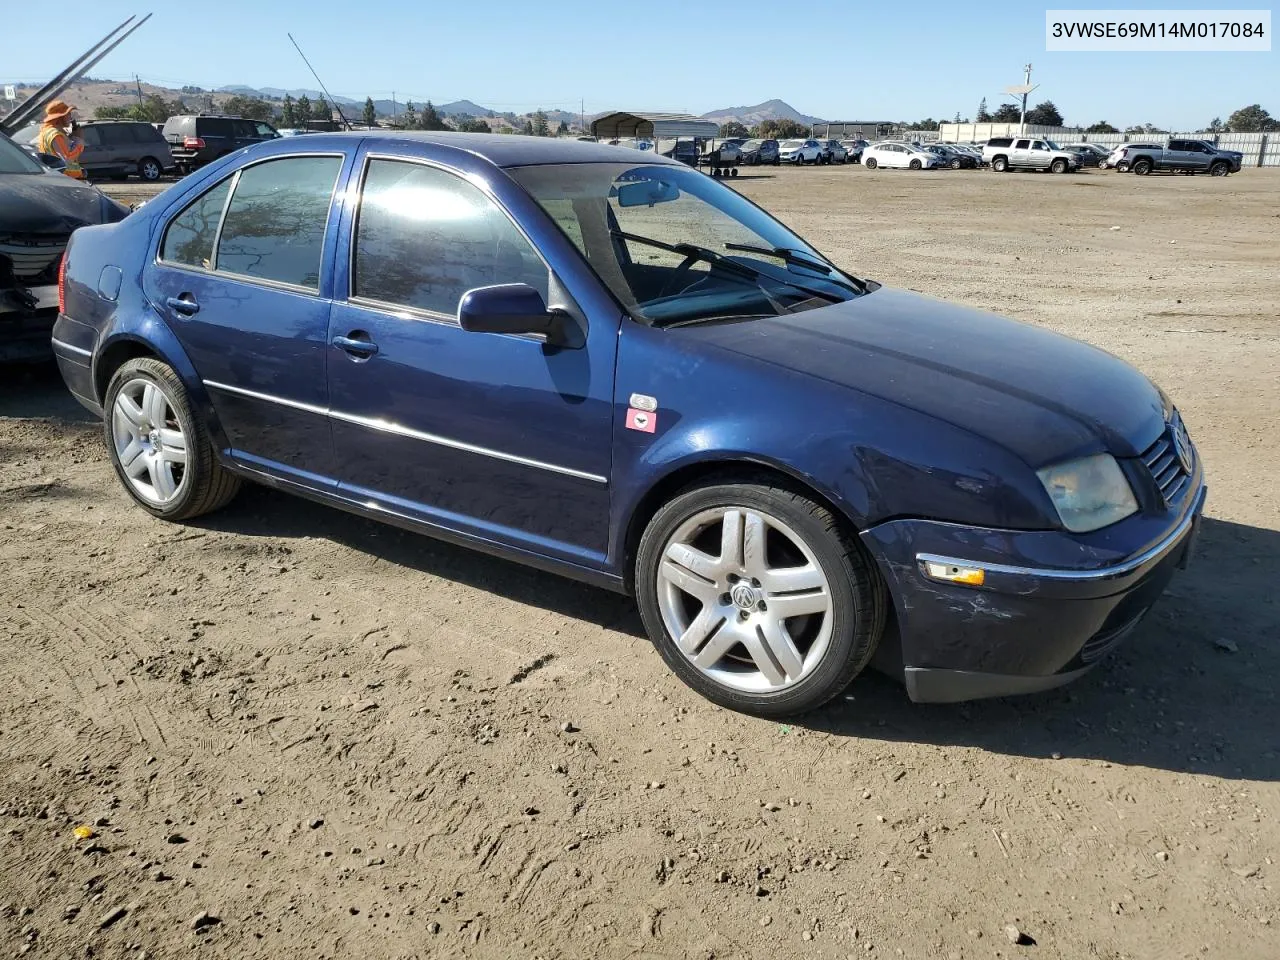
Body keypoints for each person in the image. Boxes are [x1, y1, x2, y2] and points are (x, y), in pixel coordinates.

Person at [37, 100, 85, 180]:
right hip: (66, 179)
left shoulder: (48, 131)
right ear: (60, 117)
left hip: (63, 178)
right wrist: (79, 140)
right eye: (68, 114)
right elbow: (67, 159)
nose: (70, 117)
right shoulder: (56, 135)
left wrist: (72, 137)